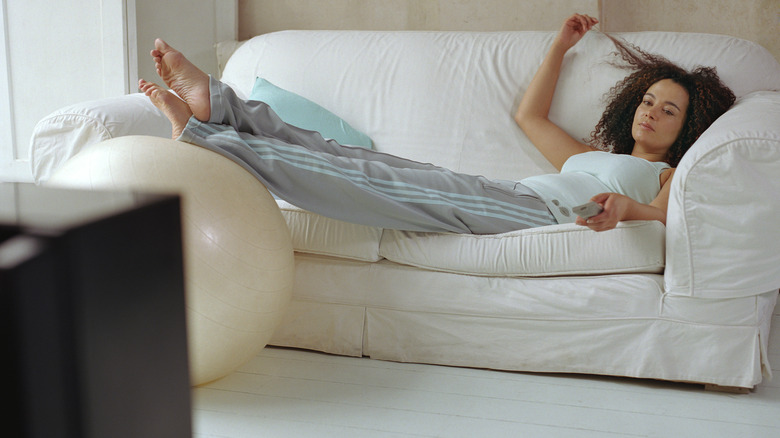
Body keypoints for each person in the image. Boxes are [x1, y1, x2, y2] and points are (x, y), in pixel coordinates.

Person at [138, 13, 735, 235]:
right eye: (648, 99)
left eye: (669, 109)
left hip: (534, 216)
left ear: (685, 128)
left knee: (361, 183)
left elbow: (674, 217)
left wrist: (627, 210)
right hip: (505, 194)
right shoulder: (585, 153)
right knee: (352, 160)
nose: (651, 111)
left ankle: (202, 135)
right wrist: (560, 45)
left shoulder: (668, 175)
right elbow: (530, 115)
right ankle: (221, 104)